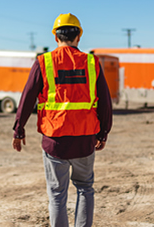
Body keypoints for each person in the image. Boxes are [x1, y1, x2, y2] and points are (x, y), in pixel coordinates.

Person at [12, 13, 113, 227]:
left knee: (57, 194)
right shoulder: (92, 63)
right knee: (85, 188)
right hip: (85, 139)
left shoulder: (44, 62)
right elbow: (105, 100)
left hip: (55, 140)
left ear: (56, 38)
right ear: (79, 36)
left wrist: (19, 130)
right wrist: (104, 132)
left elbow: (27, 97)